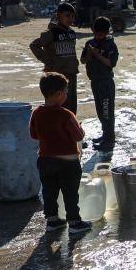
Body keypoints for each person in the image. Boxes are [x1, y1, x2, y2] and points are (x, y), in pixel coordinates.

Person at [29, 72, 91, 234]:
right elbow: (78, 136)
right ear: (58, 94)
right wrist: (81, 129)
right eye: (65, 91)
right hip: (68, 163)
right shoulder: (66, 115)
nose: (66, 94)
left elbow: (34, 135)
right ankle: (74, 222)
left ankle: (52, 220)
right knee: (70, 193)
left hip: (45, 161)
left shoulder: (36, 113)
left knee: (49, 191)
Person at [30, 2, 80, 113]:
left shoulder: (71, 33)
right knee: (59, 107)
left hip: (71, 74)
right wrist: (48, 61)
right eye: (67, 15)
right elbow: (34, 45)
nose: (70, 19)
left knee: (72, 105)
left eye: (72, 16)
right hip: (58, 76)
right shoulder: (51, 33)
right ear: (58, 16)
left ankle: (72, 128)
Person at [80, 15, 119, 152]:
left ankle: (109, 139)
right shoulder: (89, 43)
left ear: (107, 32)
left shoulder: (110, 45)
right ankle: (105, 135)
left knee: (107, 111)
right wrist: (90, 54)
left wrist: (97, 55)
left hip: (106, 82)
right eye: (95, 33)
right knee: (100, 111)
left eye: (101, 34)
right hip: (95, 81)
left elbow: (110, 63)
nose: (98, 36)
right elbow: (83, 60)